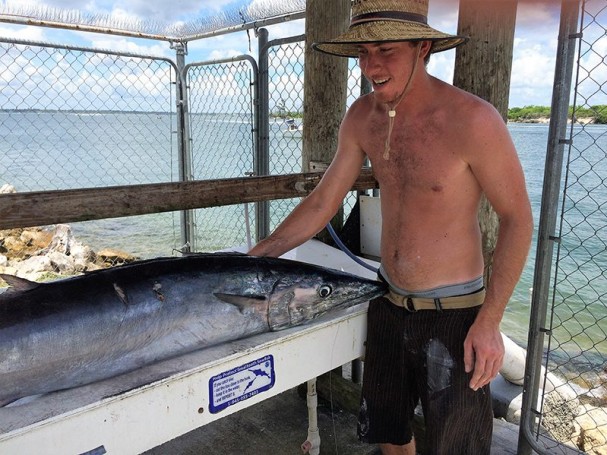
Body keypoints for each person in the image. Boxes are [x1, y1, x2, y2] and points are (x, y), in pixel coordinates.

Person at [249, 0, 533, 453]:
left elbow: (517, 218)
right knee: (388, 433)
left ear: (423, 47)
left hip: (456, 317)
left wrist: (490, 320)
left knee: (456, 446)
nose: (371, 65)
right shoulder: (362, 116)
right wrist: (256, 256)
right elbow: (324, 200)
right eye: (363, 51)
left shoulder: (473, 120)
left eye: (385, 49)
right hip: (387, 300)